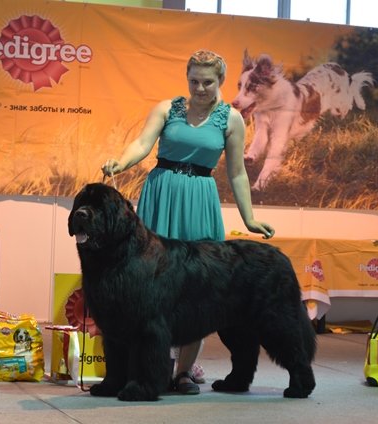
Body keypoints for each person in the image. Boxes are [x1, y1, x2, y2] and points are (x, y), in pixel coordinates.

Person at [101, 50, 275, 395]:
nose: (199, 87)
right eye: (193, 80)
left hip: (200, 198)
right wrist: (121, 163)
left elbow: (237, 173)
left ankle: (183, 373)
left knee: (198, 291)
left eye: (207, 82)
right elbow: (142, 143)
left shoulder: (232, 120)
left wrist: (249, 218)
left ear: (220, 82)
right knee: (149, 288)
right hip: (161, 191)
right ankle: (152, 367)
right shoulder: (167, 109)